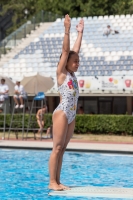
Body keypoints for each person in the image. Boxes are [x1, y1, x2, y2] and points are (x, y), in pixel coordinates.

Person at [48, 14, 84, 191]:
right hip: (62, 112)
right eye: (75, 61)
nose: (78, 63)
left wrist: (80, 33)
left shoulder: (72, 74)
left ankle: (58, 181)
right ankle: (52, 182)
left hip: (72, 114)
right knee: (57, 148)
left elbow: (74, 51)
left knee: (62, 149)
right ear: (67, 63)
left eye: (78, 61)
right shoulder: (62, 73)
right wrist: (67, 30)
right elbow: (66, 52)